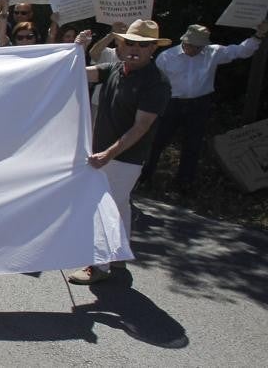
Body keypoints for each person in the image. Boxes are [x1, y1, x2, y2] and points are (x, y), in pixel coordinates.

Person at [68, 19, 172, 285]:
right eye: (130, 43)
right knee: (120, 205)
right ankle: (118, 254)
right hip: (108, 154)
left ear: (153, 50)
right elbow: (81, 72)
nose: (135, 49)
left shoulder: (155, 82)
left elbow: (141, 127)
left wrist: (108, 154)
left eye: (143, 45)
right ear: (120, 44)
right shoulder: (116, 68)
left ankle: (98, 266)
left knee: (103, 207)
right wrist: (78, 48)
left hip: (124, 158)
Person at [141, 21, 267, 194]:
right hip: (171, 103)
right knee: (157, 141)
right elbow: (154, 83)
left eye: (199, 47)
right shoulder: (167, 57)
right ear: (184, 42)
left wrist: (258, 36)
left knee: (193, 144)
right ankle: (143, 177)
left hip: (199, 103)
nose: (195, 50)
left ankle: (184, 184)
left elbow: (240, 51)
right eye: (191, 46)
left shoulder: (212, 52)